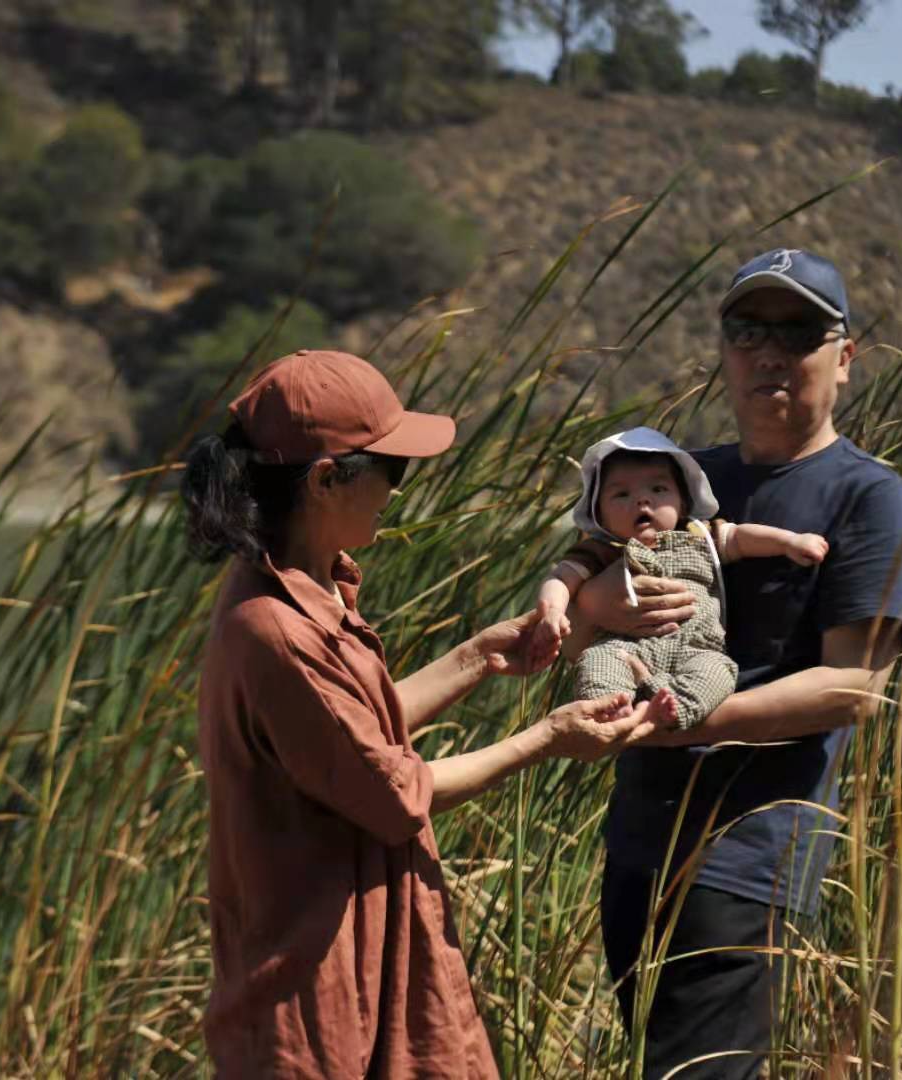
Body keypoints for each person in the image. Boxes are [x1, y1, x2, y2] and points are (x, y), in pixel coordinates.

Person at [183, 349, 660, 1078]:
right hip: (319, 996)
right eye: (391, 470)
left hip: (360, 969)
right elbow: (392, 791)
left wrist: (478, 655)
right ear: (321, 480)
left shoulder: (308, 589)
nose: (396, 493)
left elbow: (350, 738)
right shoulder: (273, 627)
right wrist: (546, 739)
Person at [574, 250, 902, 1078]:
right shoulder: (680, 482)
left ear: (843, 358)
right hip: (636, 841)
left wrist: (671, 726)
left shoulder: (867, 498)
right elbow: (582, 608)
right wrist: (591, 610)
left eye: (799, 331)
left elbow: (851, 687)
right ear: (722, 350)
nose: (769, 352)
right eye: (747, 330)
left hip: (744, 855)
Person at [529, 426, 829, 731]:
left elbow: (739, 538)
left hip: (697, 648)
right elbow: (562, 578)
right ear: (600, 515)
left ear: (683, 503)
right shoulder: (603, 551)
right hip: (624, 646)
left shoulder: (700, 535)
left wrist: (789, 542)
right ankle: (610, 712)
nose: (642, 501)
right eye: (622, 494)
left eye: (658, 490)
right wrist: (552, 612)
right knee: (597, 664)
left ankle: (670, 707)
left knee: (718, 672)